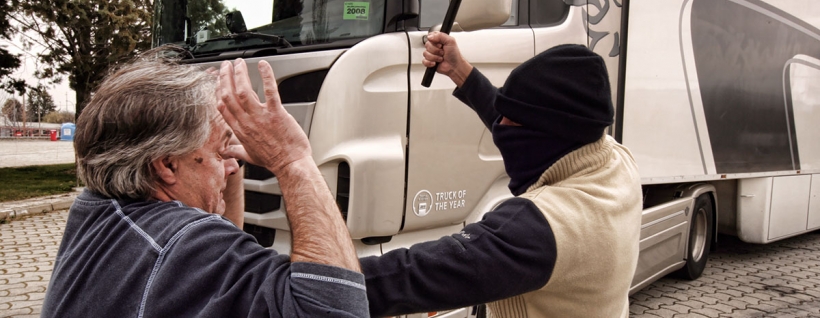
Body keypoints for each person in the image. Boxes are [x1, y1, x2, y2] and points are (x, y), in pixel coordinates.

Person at [41, 50, 368, 317]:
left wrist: (226, 147)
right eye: (221, 149)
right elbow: (338, 307)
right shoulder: (181, 240)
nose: (232, 166)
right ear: (167, 164)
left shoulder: (96, 206)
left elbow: (223, 240)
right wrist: (292, 159)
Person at [361, 32, 643, 317]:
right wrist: (459, 70)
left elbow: (412, 276)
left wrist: (325, 280)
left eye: (512, 121)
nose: (500, 127)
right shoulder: (615, 159)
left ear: (545, 136)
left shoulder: (546, 227)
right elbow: (519, 118)